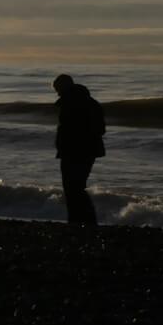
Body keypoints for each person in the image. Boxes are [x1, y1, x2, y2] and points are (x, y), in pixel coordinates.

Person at [52, 72, 106, 228]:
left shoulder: (72, 103)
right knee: (75, 187)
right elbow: (100, 129)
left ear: (64, 87)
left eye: (58, 90)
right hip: (83, 151)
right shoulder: (89, 102)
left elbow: (74, 129)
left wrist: (75, 141)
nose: (57, 93)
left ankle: (82, 221)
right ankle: (82, 221)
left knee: (73, 188)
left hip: (75, 152)